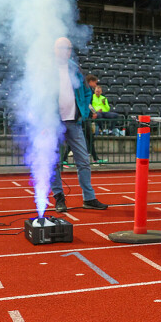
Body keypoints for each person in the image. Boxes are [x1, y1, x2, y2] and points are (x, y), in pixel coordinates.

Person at [51, 37, 108, 212]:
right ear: (55, 49)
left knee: (83, 160)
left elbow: (86, 93)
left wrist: (82, 112)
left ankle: (89, 198)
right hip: (53, 124)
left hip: (74, 122)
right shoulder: (46, 69)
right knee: (54, 163)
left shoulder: (75, 69)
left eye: (68, 48)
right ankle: (59, 198)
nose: (66, 51)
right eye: (62, 47)